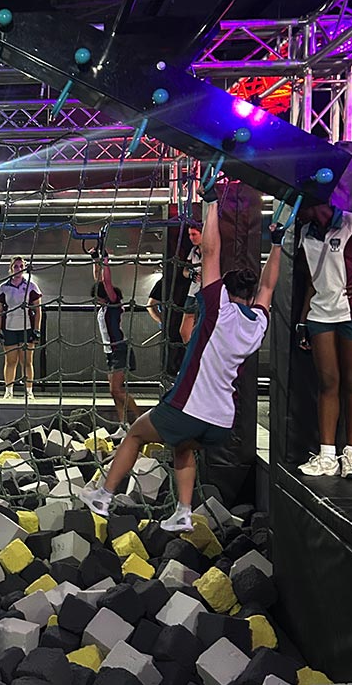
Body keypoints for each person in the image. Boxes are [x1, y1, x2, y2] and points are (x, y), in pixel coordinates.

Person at [83, 183, 283, 532]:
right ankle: (183, 512)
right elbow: (268, 286)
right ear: (249, 299)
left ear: (223, 291)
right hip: (222, 420)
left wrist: (210, 205)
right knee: (183, 449)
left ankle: (104, 494)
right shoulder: (258, 324)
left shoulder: (215, 308)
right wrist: (278, 243)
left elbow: (210, 253)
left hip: (189, 405)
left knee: (135, 435)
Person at [294, 203, 352, 480]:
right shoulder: (306, 233)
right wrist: (302, 321)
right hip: (321, 314)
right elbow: (311, 281)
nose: (298, 208)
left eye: (302, 201)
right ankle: (326, 456)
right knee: (328, 383)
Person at [92, 250, 139, 436]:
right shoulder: (103, 308)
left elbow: (106, 282)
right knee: (113, 392)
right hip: (109, 352)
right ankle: (123, 425)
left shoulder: (113, 304)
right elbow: (98, 280)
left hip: (119, 349)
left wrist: (105, 261)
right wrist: (95, 261)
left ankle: (140, 418)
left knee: (117, 390)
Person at [0, 256, 42, 399]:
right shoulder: (3, 287)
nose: (19, 269)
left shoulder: (31, 286)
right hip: (9, 329)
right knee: (11, 361)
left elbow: (38, 309)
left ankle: (29, 392)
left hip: (26, 328)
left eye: (21, 266)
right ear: (11, 268)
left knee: (27, 361)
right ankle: (9, 391)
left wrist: (37, 329)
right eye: (16, 266)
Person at [180, 222, 203, 342]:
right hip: (193, 292)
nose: (191, 238)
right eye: (190, 235)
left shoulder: (211, 250)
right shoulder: (193, 251)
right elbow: (185, 270)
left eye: (194, 234)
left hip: (206, 293)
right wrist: (191, 274)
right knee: (184, 331)